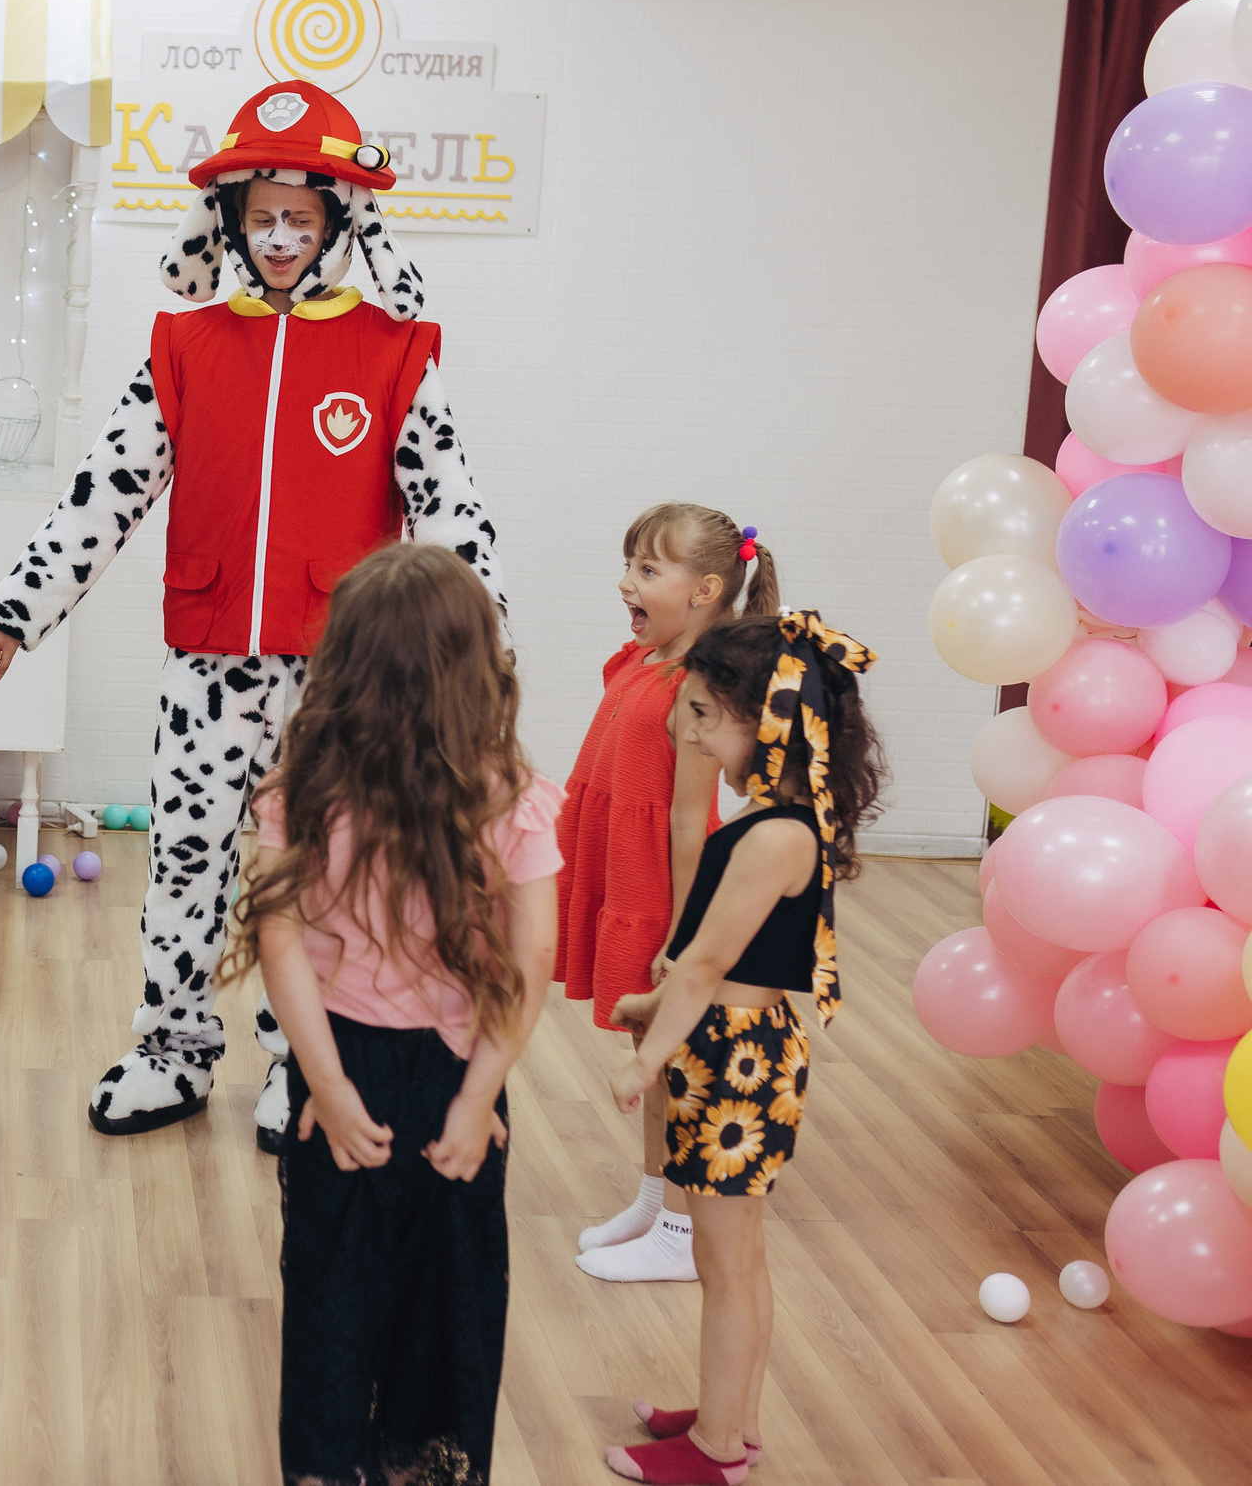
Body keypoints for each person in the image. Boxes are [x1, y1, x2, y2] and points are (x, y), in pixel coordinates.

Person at [0, 78, 505, 1148]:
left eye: (303, 219)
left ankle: (306, 1064)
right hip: (208, 665)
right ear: (233, 225)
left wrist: (483, 671)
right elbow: (103, 494)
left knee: (323, 878)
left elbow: (452, 514)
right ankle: (168, 1050)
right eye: (264, 220)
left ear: (338, 221)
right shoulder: (186, 345)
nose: (284, 238)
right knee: (185, 858)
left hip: (346, 681)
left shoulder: (394, 351)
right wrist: (11, 617)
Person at [227, 543, 559, 1486]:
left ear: (344, 663)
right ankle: (427, 1463)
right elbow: (531, 958)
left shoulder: (303, 793)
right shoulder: (514, 799)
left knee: (334, 1289)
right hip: (460, 1074)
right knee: (449, 1295)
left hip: (345, 1067)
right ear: (475, 664)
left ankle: (330, 1466)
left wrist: (324, 1083)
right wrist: (477, 1094)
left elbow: (279, 942)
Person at [602, 613, 884, 1486]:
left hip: (735, 1063)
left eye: (697, 713)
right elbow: (724, 963)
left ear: (757, 719)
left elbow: (711, 962)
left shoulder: (774, 836)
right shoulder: (779, 821)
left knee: (724, 1262)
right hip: (733, 1046)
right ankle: (732, 1415)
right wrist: (655, 999)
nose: (681, 729)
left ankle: (718, 1447)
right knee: (735, 1256)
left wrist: (646, 1057)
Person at [561, 506, 776, 1284]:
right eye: (630, 563)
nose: (627, 582)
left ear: (706, 589)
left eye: (649, 569)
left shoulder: (699, 685)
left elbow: (690, 819)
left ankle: (685, 1229)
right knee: (647, 1052)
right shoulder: (640, 662)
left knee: (678, 1056)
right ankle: (657, 1200)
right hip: (628, 872)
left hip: (665, 889)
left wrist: (684, 938)